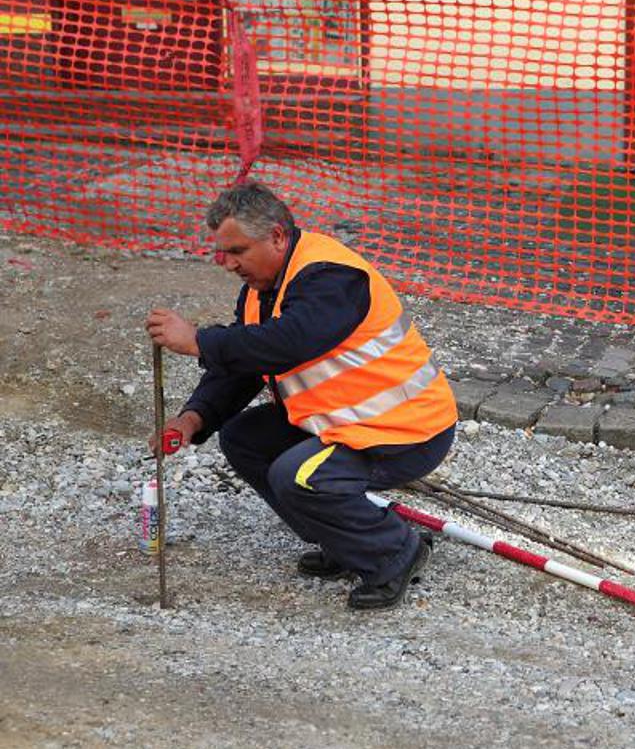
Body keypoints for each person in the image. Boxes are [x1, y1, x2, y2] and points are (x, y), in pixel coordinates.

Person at [146, 181, 457, 610]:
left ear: (276, 236)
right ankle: (345, 540)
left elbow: (288, 343)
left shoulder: (332, 276)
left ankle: (393, 552)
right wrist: (194, 418)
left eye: (237, 251)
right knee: (243, 438)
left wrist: (198, 340)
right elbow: (249, 362)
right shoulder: (264, 287)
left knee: (297, 476)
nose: (228, 264)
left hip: (404, 429)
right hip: (348, 422)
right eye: (223, 252)